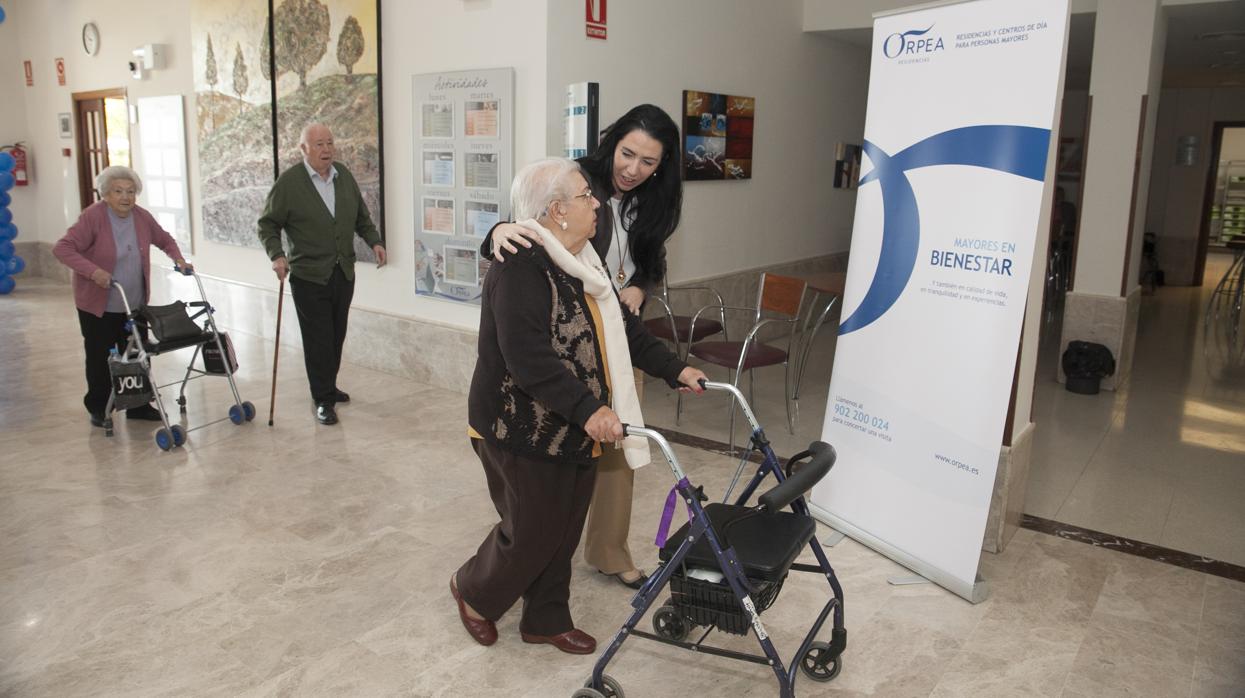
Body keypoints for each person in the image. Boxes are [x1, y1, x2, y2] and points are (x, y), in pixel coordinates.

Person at [452, 158, 706, 655]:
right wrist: (589, 409)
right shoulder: (520, 265)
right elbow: (528, 358)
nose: (597, 203)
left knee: (564, 528)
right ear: (556, 210)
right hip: (517, 425)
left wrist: (674, 369)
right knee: (531, 531)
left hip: (572, 424)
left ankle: (546, 618)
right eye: (586, 195)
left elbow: (626, 330)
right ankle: (473, 590)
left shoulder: (586, 259)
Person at [482, 104, 683, 589]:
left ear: (662, 166)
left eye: (648, 162)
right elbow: (522, 229)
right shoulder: (576, 184)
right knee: (575, 439)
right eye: (627, 153)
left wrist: (642, 288)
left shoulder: (656, 203)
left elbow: (649, 261)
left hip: (618, 327)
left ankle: (607, 550)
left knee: (620, 442)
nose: (633, 169)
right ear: (612, 144)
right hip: (570, 337)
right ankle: (537, 557)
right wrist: (494, 231)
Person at [258, 123, 386, 426]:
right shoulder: (289, 184)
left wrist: (375, 241)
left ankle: (328, 385)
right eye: (318, 144)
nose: (326, 149)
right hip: (308, 276)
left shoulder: (343, 177)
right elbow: (268, 224)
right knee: (318, 339)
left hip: (343, 272)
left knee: (336, 334)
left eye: (330, 142)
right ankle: (323, 399)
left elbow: (361, 218)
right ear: (303, 149)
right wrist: (277, 255)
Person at [54, 165, 192, 428]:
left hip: (134, 303)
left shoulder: (141, 217)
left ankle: (138, 406)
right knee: (100, 357)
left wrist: (179, 259)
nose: (125, 197)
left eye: (130, 191)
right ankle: (99, 407)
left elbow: (164, 239)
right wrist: (93, 271)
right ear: (105, 193)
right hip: (99, 304)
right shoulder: (93, 217)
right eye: (118, 191)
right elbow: (63, 248)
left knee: (138, 355)